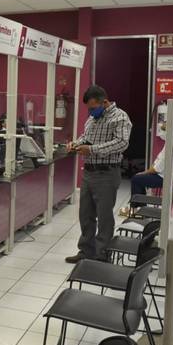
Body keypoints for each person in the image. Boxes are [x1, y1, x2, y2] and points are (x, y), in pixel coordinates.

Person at [66, 85, 132, 264]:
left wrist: (92, 149)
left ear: (105, 102)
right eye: (89, 108)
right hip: (89, 173)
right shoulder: (92, 118)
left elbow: (122, 143)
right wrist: (76, 144)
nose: (91, 111)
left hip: (107, 173)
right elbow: (85, 137)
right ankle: (86, 250)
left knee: (104, 216)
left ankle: (102, 254)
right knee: (85, 215)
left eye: (93, 108)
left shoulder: (120, 117)